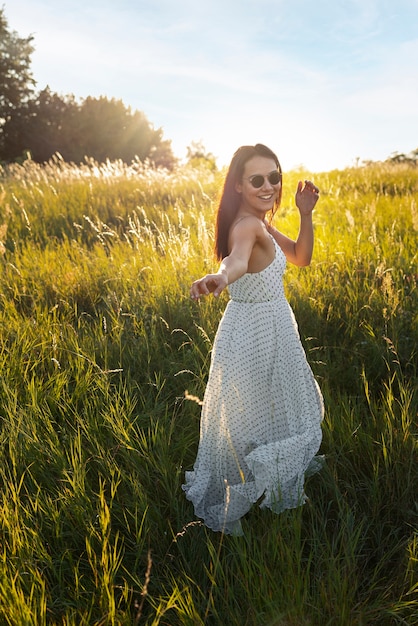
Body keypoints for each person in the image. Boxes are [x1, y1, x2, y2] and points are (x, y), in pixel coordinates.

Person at [182, 143, 324, 535]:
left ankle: (260, 469)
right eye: (257, 179)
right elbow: (237, 261)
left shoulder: (260, 222)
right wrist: (221, 277)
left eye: (274, 177)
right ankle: (254, 476)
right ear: (239, 186)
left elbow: (300, 256)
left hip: (266, 324)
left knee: (261, 404)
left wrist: (305, 214)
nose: (269, 186)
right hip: (256, 329)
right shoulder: (247, 226)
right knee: (273, 407)